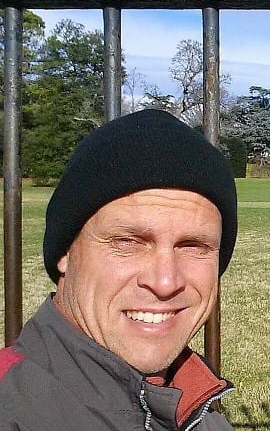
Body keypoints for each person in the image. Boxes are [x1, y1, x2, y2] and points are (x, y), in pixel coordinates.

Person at [0, 109, 238, 430]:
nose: (165, 281)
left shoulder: (202, 418)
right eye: (128, 242)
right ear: (66, 252)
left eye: (193, 246)